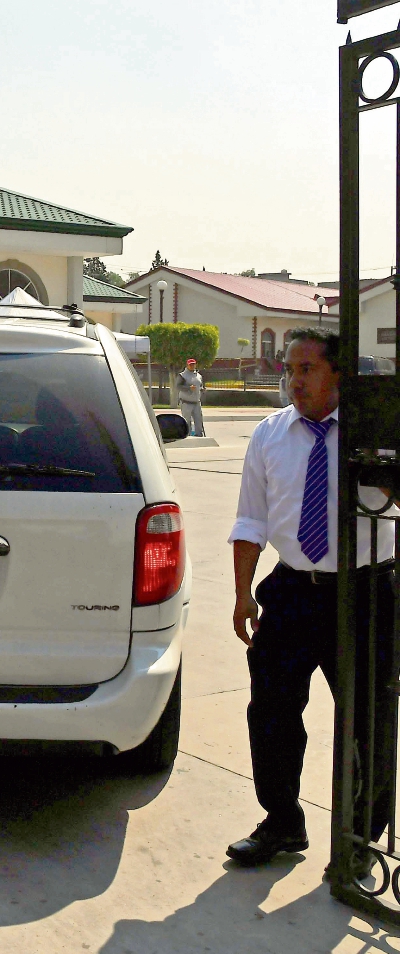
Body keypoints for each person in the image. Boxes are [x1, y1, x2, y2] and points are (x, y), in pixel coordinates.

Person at [225, 328, 396, 868]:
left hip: (367, 592)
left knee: (368, 720)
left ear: (338, 374)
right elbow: (250, 518)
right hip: (294, 590)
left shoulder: (377, 434)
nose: (293, 380)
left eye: (306, 369)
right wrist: (242, 593)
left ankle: (360, 840)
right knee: (271, 712)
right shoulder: (269, 435)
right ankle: (282, 822)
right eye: (290, 369)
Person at [176, 357, 205, 437]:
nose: (192, 366)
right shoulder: (182, 375)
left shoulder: (198, 376)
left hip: (196, 402)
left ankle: (199, 434)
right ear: (187, 365)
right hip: (186, 402)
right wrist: (188, 388)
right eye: (190, 365)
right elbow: (178, 386)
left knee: (198, 419)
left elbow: (200, 385)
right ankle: (187, 435)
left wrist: (202, 389)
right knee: (186, 420)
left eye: (193, 364)